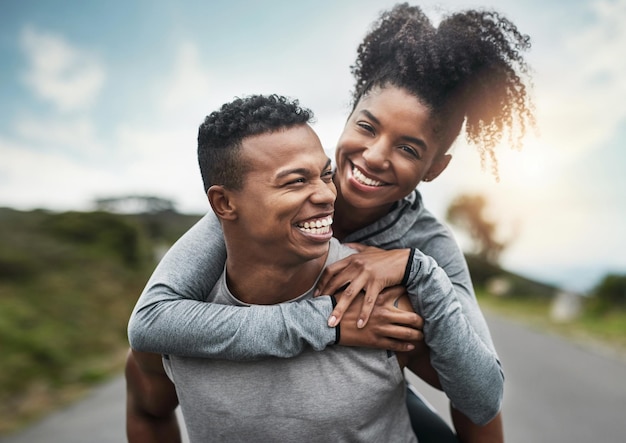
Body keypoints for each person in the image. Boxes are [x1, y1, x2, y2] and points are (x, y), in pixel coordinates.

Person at [128, 3, 534, 442]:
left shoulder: (427, 243)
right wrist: (328, 325)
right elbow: (151, 323)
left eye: (410, 149)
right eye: (367, 126)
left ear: (435, 168)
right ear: (347, 117)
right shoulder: (257, 207)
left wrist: (415, 268)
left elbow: (481, 396)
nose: (375, 155)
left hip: (367, 403)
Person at [129, 93, 426, 442]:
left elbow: (476, 399)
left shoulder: (383, 306)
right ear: (223, 203)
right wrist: (324, 323)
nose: (329, 196)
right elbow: (146, 409)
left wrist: (422, 269)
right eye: (295, 180)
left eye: (325, 175)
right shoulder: (173, 333)